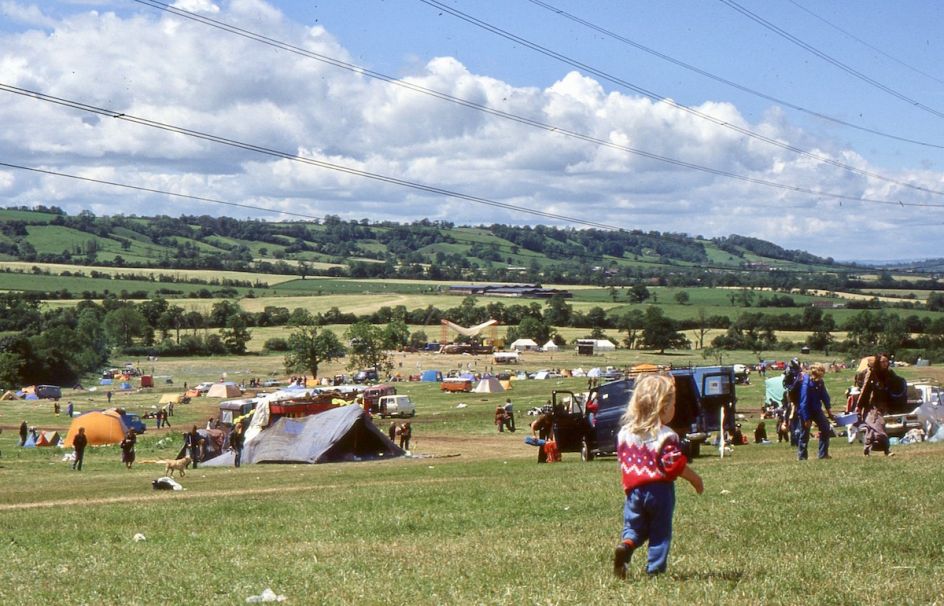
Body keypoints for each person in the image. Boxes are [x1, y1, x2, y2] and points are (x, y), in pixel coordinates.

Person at [612, 374, 704, 578]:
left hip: (634, 490)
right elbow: (674, 466)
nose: (674, 409)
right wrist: (695, 479)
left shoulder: (625, 434)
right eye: (672, 405)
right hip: (659, 491)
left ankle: (626, 546)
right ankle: (655, 570)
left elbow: (623, 462)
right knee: (659, 531)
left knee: (634, 528)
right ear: (662, 407)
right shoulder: (666, 435)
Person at [796, 364, 835, 461]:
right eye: (821, 374)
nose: (822, 376)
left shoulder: (820, 382)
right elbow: (803, 402)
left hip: (817, 410)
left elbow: (825, 396)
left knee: (826, 428)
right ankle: (802, 457)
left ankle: (823, 454)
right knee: (804, 434)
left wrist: (829, 411)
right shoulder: (806, 383)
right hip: (805, 411)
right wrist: (806, 418)